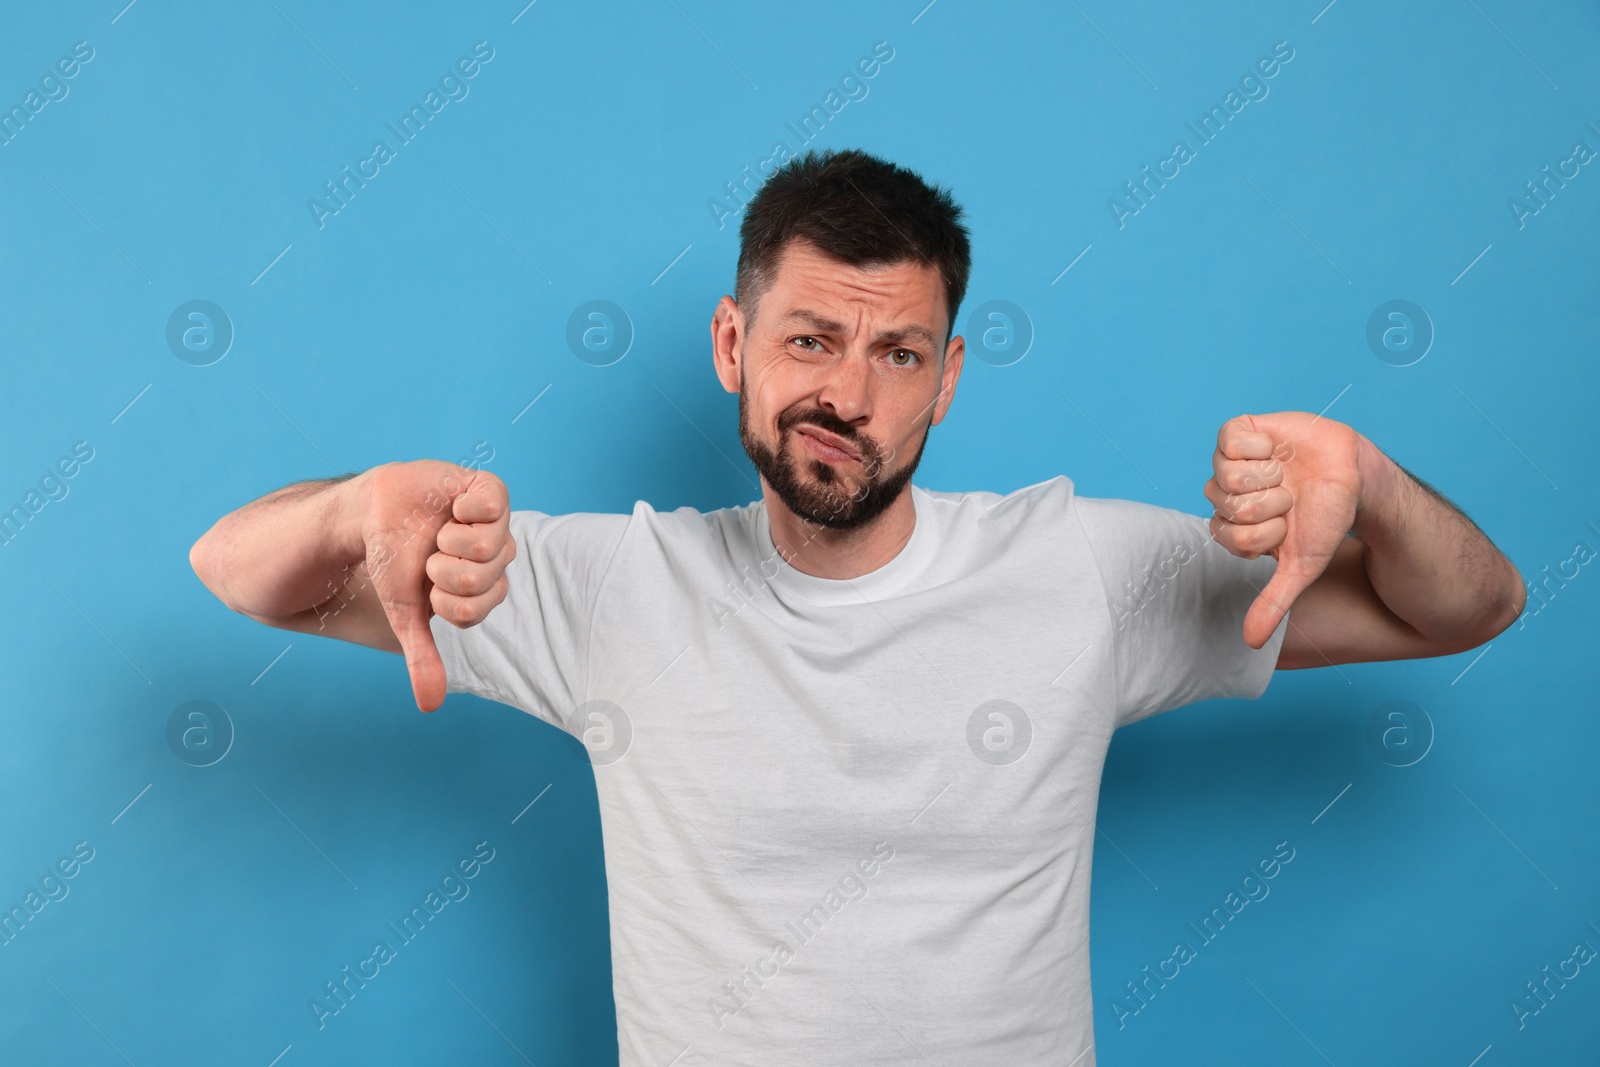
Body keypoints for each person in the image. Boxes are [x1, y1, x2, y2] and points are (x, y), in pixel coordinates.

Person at [189, 148, 1525, 1066]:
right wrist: (346, 506)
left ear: (947, 382)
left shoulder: (1082, 572)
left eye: (897, 354)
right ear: (734, 347)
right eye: (811, 340)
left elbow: (1467, 608)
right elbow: (240, 573)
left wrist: (1383, 489)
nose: (850, 394)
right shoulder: (604, 588)